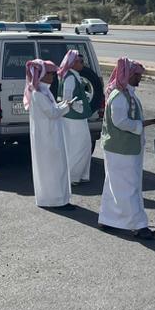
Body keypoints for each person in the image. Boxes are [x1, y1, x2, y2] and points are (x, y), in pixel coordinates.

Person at [98, 57, 155, 240]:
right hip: (121, 150)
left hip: (123, 148)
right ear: (129, 75)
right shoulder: (119, 96)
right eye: (137, 75)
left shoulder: (127, 94)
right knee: (129, 188)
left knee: (115, 186)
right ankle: (138, 225)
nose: (140, 77)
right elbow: (120, 121)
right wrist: (142, 124)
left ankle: (108, 219)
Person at [24, 59, 73, 208]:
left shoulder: (44, 90)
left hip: (51, 134)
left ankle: (61, 199)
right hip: (46, 138)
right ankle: (54, 201)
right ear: (42, 74)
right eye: (50, 73)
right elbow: (52, 113)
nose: (53, 76)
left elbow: (52, 109)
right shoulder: (38, 93)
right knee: (51, 169)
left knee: (57, 167)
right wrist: (66, 107)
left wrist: (63, 105)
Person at [57, 50, 93, 184]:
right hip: (73, 118)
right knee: (79, 147)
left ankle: (80, 175)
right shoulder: (70, 77)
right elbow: (67, 98)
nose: (83, 64)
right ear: (73, 63)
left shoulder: (72, 75)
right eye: (80, 62)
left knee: (82, 145)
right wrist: (80, 107)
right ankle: (72, 177)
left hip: (75, 117)